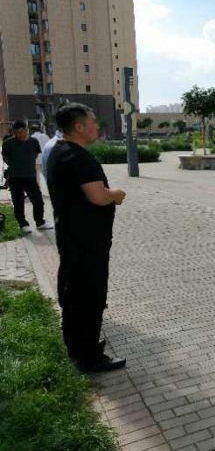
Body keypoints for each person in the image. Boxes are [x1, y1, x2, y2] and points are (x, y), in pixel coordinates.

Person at [47, 103, 127, 372]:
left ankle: (79, 347)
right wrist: (116, 194)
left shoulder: (60, 152)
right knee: (88, 296)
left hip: (73, 238)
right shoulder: (77, 157)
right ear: (78, 127)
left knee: (74, 294)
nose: (97, 126)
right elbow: (98, 196)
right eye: (93, 122)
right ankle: (88, 357)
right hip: (86, 242)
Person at [1, 121, 51, 233]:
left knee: (38, 200)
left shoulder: (33, 142)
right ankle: (23, 224)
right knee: (18, 202)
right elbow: (5, 157)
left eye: (21, 132)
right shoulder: (8, 143)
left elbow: (36, 154)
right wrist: (15, 165)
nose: (19, 134)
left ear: (26, 130)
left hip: (30, 176)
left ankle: (40, 222)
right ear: (14, 132)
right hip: (15, 177)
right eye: (17, 133)